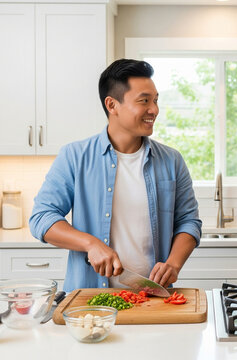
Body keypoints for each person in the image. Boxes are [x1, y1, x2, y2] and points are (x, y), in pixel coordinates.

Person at [29, 59, 202, 292]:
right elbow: (42, 218)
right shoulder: (74, 156)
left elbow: (189, 222)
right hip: (91, 299)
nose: (154, 109)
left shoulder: (171, 161)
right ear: (112, 105)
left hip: (153, 298)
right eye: (144, 101)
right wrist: (90, 243)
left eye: (156, 100)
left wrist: (174, 263)